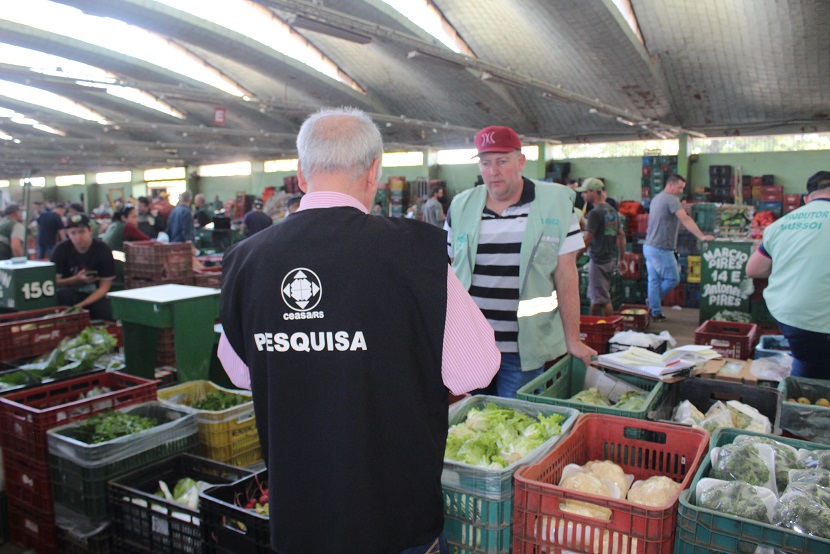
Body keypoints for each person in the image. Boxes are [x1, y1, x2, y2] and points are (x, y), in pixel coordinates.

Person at [218, 107, 500, 554]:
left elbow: (238, 371)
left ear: (301, 175)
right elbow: (476, 368)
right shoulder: (413, 254)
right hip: (395, 519)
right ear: (374, 174)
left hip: (300, 518)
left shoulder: (247, 260)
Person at [445, 125, 595, 398]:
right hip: (472, 346)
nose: (493, 171)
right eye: (486, 162)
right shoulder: (461, 206)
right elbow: (449, 272)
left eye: (502, 161)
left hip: (523, 350)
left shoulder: (556, 204)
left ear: (520, 162)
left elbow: (566, 275)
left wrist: (573, 340)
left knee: (511, 425)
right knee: (473, 423)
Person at [746, 171, 830, 379]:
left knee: (807, 362)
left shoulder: (780, 225)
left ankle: (800, 398)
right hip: (822, 320)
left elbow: (753, 270)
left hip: (789, 317)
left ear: (806, 198)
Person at [643, 174, 715, 322]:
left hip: (649, 246)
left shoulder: (657, 198)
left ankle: (655, 312)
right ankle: (652, 303)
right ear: (671, 185)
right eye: (680, 187)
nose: (681, 191)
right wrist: (701, 236)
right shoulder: (672, 200)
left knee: (654, 280)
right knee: (673, 279)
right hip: (662, 248)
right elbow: (686, 219)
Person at [51, 214, 116, 320]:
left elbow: (104, 287)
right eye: (73, 233)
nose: (78, 237)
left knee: (109, 311)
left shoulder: (103, 250)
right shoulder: (61, 250)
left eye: (81, 232)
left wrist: (80, 306)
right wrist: (74, 280)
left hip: (95, 296)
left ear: (90, 230)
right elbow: (54, 282)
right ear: (68, 234)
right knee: (62, 295)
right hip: (70, 295)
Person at [577, 178, 626, 316]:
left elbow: (588, 240)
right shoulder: (611, 211)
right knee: (596, 296)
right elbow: (621, 235)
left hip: (598, 261)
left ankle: (609, 331)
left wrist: (575, 259)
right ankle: (593, 327)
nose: (582, 195)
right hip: (609, 259)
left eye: (585, 192)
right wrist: (621, 259)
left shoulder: (595, 213)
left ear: (593, 192)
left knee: (603, 299)